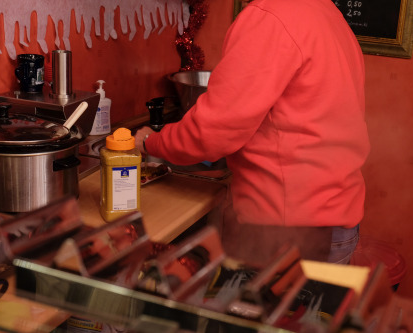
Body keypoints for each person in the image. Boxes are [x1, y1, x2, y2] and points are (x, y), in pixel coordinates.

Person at [135, 0, 370, 266]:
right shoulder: (326, 12)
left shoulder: (270, 16)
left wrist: (150, 142)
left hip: (289, 227)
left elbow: (212, 131)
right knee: (314, 308)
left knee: (267, 307)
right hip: (336, 219)